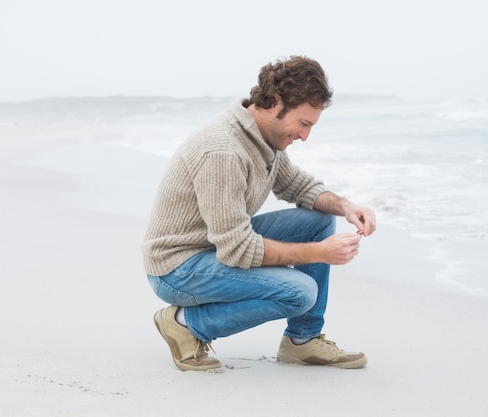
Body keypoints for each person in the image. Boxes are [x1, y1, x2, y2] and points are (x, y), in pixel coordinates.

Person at [142, 55, 376, 372]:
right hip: (178, 268)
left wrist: (347, 206)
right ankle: (185, 324)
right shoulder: (223, 150)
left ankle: (301, 340)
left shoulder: (263, 137)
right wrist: (320, 252)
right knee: (300, 292)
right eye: (303, 124)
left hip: (213, 247)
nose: (305, 136)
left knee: (319, 220)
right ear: (275, 102)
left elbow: (296, 185)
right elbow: (237, 248)